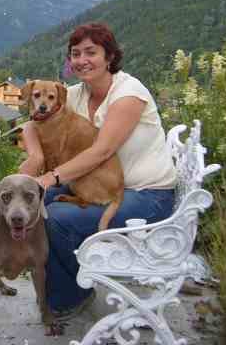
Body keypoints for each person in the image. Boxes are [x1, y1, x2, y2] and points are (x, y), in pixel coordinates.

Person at [19, 21, 177, 317]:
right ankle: (60, 285)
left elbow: (101, 151)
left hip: (148, 196)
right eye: (75, 53)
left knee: (57, 218)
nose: (81, 60)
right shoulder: (76, 94)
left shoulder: (129, 93)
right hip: (103, 186)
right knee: (38, 206)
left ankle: (73, 292)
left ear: (109, 57)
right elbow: (33, 121)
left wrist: (50, 177)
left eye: (91, 52)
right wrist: (36, 154)